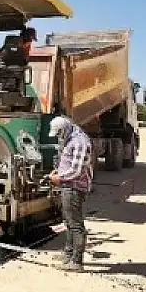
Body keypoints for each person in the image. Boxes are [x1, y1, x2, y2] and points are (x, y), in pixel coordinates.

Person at [48, 115, 94, 272]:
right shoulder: (71, 138)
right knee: (68, 222)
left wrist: (59, 178)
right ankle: (68, 254)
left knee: (75, 224)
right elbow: (69, 162)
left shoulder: (79, 141)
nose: (59, 137)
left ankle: (77, 261)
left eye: (59, 133)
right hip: (68, 185)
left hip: (74, 187)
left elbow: (76, 170)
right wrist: (59, 171)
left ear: (65, 129)